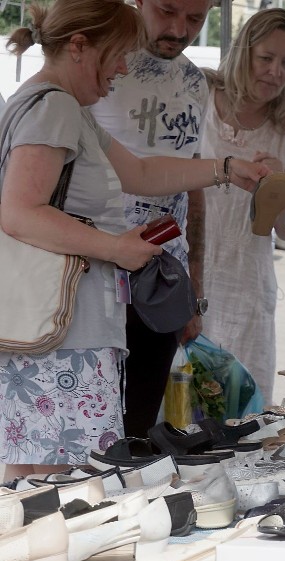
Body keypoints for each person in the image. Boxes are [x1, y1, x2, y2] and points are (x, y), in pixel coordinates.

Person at [0, 0, 269, 480]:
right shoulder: (56, 107)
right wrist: (115, 247)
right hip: (64, 333)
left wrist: (226, 169)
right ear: (80, 47)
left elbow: (142, 172)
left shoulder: (56, 104)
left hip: (55, 328)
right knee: (62, 484)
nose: (124, 68)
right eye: (118, 54)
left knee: (35, 482)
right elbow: (19, 211)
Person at [90, 0, 213, 439]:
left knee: (139, 427)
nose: (179, 30)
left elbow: (191, 187)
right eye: (167, 10)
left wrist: (194, 284)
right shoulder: (100, 67)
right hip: (94, 273)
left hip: (162, 276)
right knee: (86, 429)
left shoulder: (195, 82)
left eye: (196, 18)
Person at [199, 8, 285, 404]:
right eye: (267, 58)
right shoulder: (199, 96)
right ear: (244, 52)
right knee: (175, 415)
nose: (276, 71)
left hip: (245, 293)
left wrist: (281, 189)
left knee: (238, 416)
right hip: (184, 282)